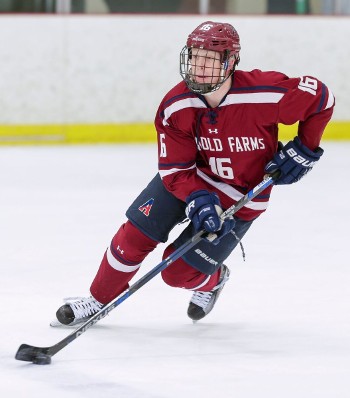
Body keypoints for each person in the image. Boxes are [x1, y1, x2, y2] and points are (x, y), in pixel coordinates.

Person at [52, 21, 334, 326]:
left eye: (210, 59)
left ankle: (215, 279)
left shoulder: (264, 93)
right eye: (195, 56)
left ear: (231, 61)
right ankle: (97, 300)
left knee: (177, 273)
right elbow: (175, 170)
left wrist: (306, 149)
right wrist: (198, 198)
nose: (200, 66)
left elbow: (322, 99)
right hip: (190, 180)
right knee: (134, 235)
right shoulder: (176, 106)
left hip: (241, 194)